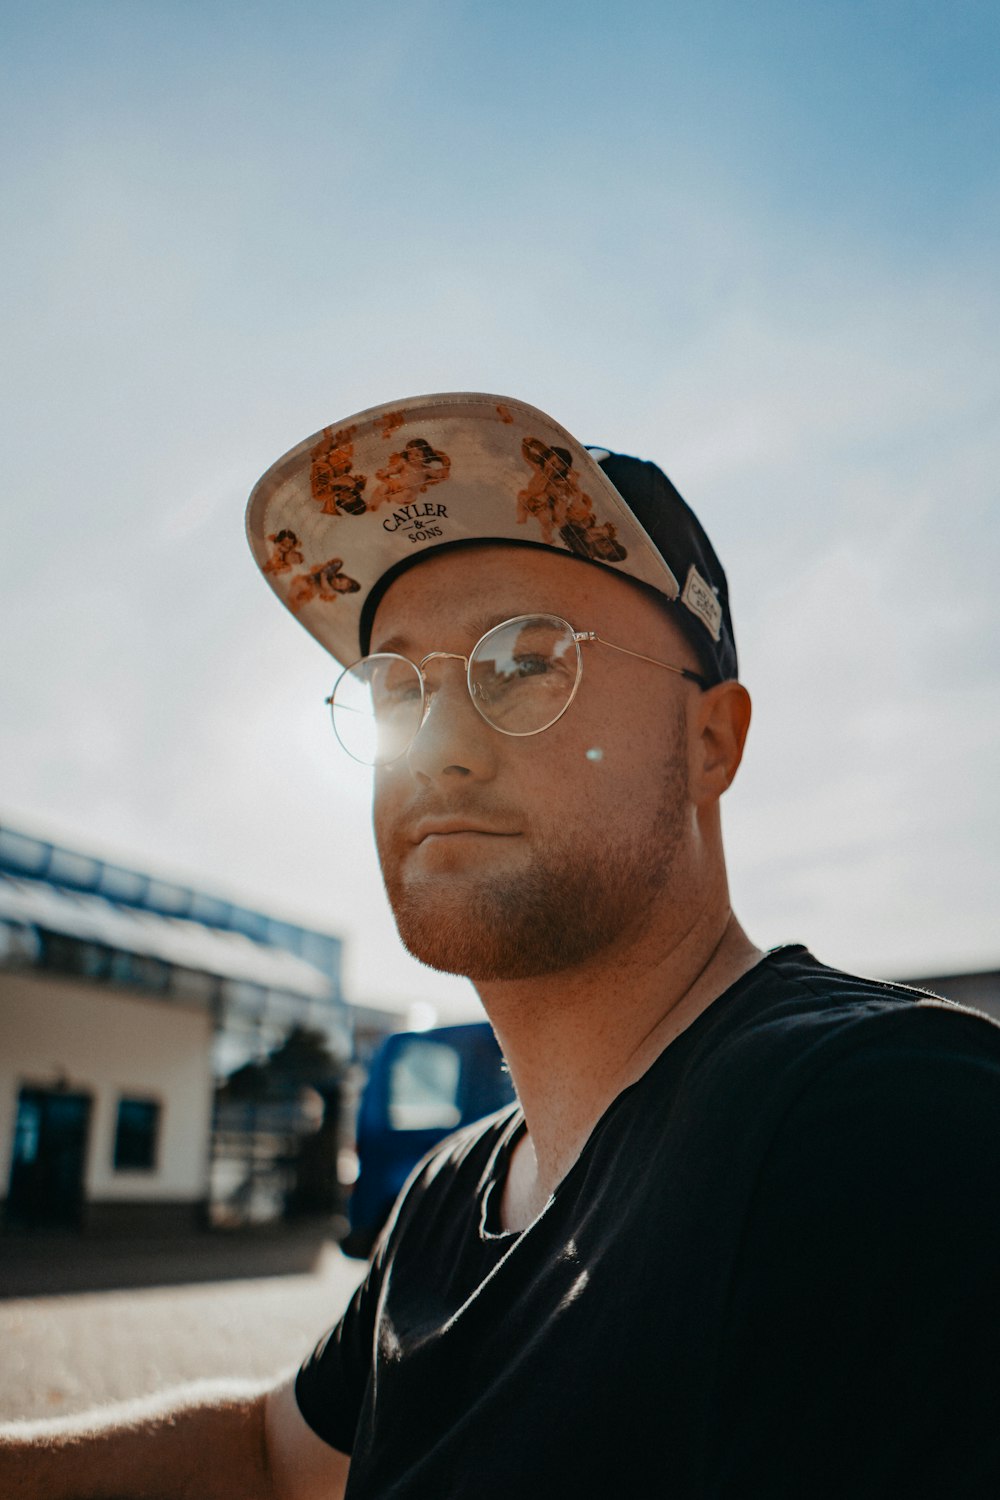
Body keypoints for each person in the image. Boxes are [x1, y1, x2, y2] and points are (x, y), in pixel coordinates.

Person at [4, 392, 1000, 1498]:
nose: (434, 750)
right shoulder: (445, 1198)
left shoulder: (889, 1128)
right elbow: (268, 1459)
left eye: (523, 662)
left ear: (710, 737)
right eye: (393, 687)